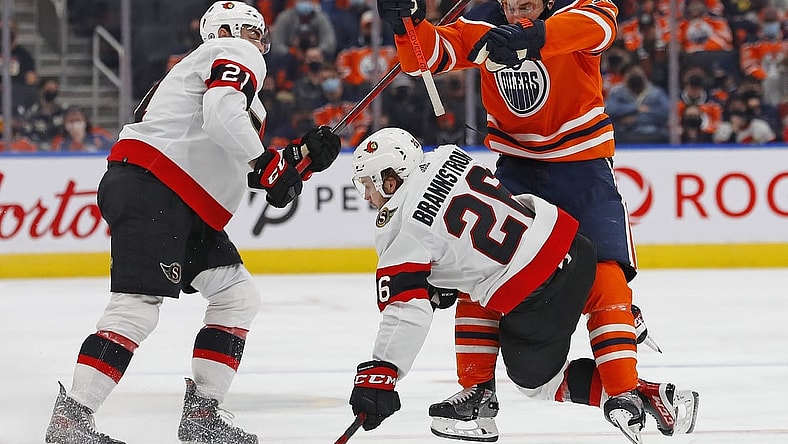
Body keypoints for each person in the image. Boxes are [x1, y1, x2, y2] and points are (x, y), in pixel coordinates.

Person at [375, 0, 698, 442]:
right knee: (479, 271)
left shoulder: (577, 10)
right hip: (517, 169)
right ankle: (477, 393)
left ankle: (623, 389)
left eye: (527, 1)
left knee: (605, 274)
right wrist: (406, 23)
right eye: (509, 0)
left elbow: (599, 26)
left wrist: (532, 35)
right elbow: (424, 58)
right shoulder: (484, 20)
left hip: (581, 167)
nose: (515, 6)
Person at [44, 2, 340, 444]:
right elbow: (223, 119)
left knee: (237, 296)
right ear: (238, 31)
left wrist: (301, 159)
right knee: (136, 306)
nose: (261, 42)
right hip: (157, 188)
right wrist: (268, 162)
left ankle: (201, 417)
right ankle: (72, 420)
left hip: (175, 197)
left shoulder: (205, 70)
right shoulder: (236, 51)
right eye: (256, 33)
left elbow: (231, 151)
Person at [345, 127, 699, 443]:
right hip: (571, 242)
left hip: (537, 296)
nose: (367, 197)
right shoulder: (450, 157)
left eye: (369, 185)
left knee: (537, 382)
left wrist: (382, 372)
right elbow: (463, 243)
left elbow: (407, 313)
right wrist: (439, 280)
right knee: (475, 280)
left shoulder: (402, 234)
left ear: (390, 179)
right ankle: (617, 322)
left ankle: (643, 396)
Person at [50, 106, 116, 152]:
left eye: (78, 120)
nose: (75, 124)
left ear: (85, 121)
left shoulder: (100, 137)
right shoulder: (59, 142)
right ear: (65, 124)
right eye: (71, 121)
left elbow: (113, 149)